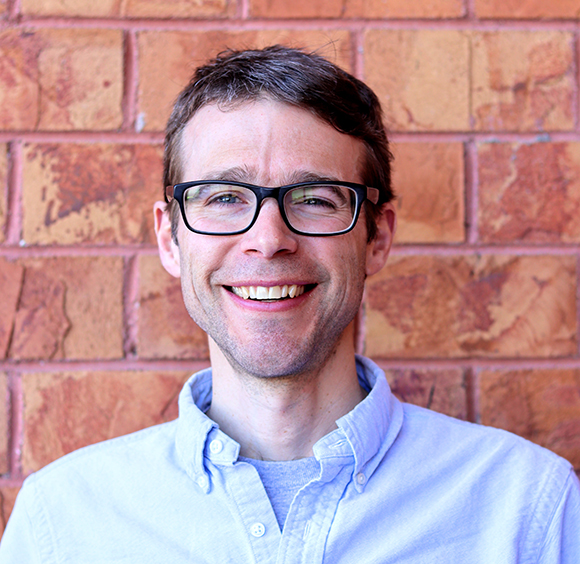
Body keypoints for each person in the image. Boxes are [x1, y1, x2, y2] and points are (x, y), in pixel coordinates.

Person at [1, 45, 578, 562]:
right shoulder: (63, 523)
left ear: (376, 238)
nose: (269, 238)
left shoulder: (529, 510)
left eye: (315, 199)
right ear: (168, 238)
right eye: (224, 196)